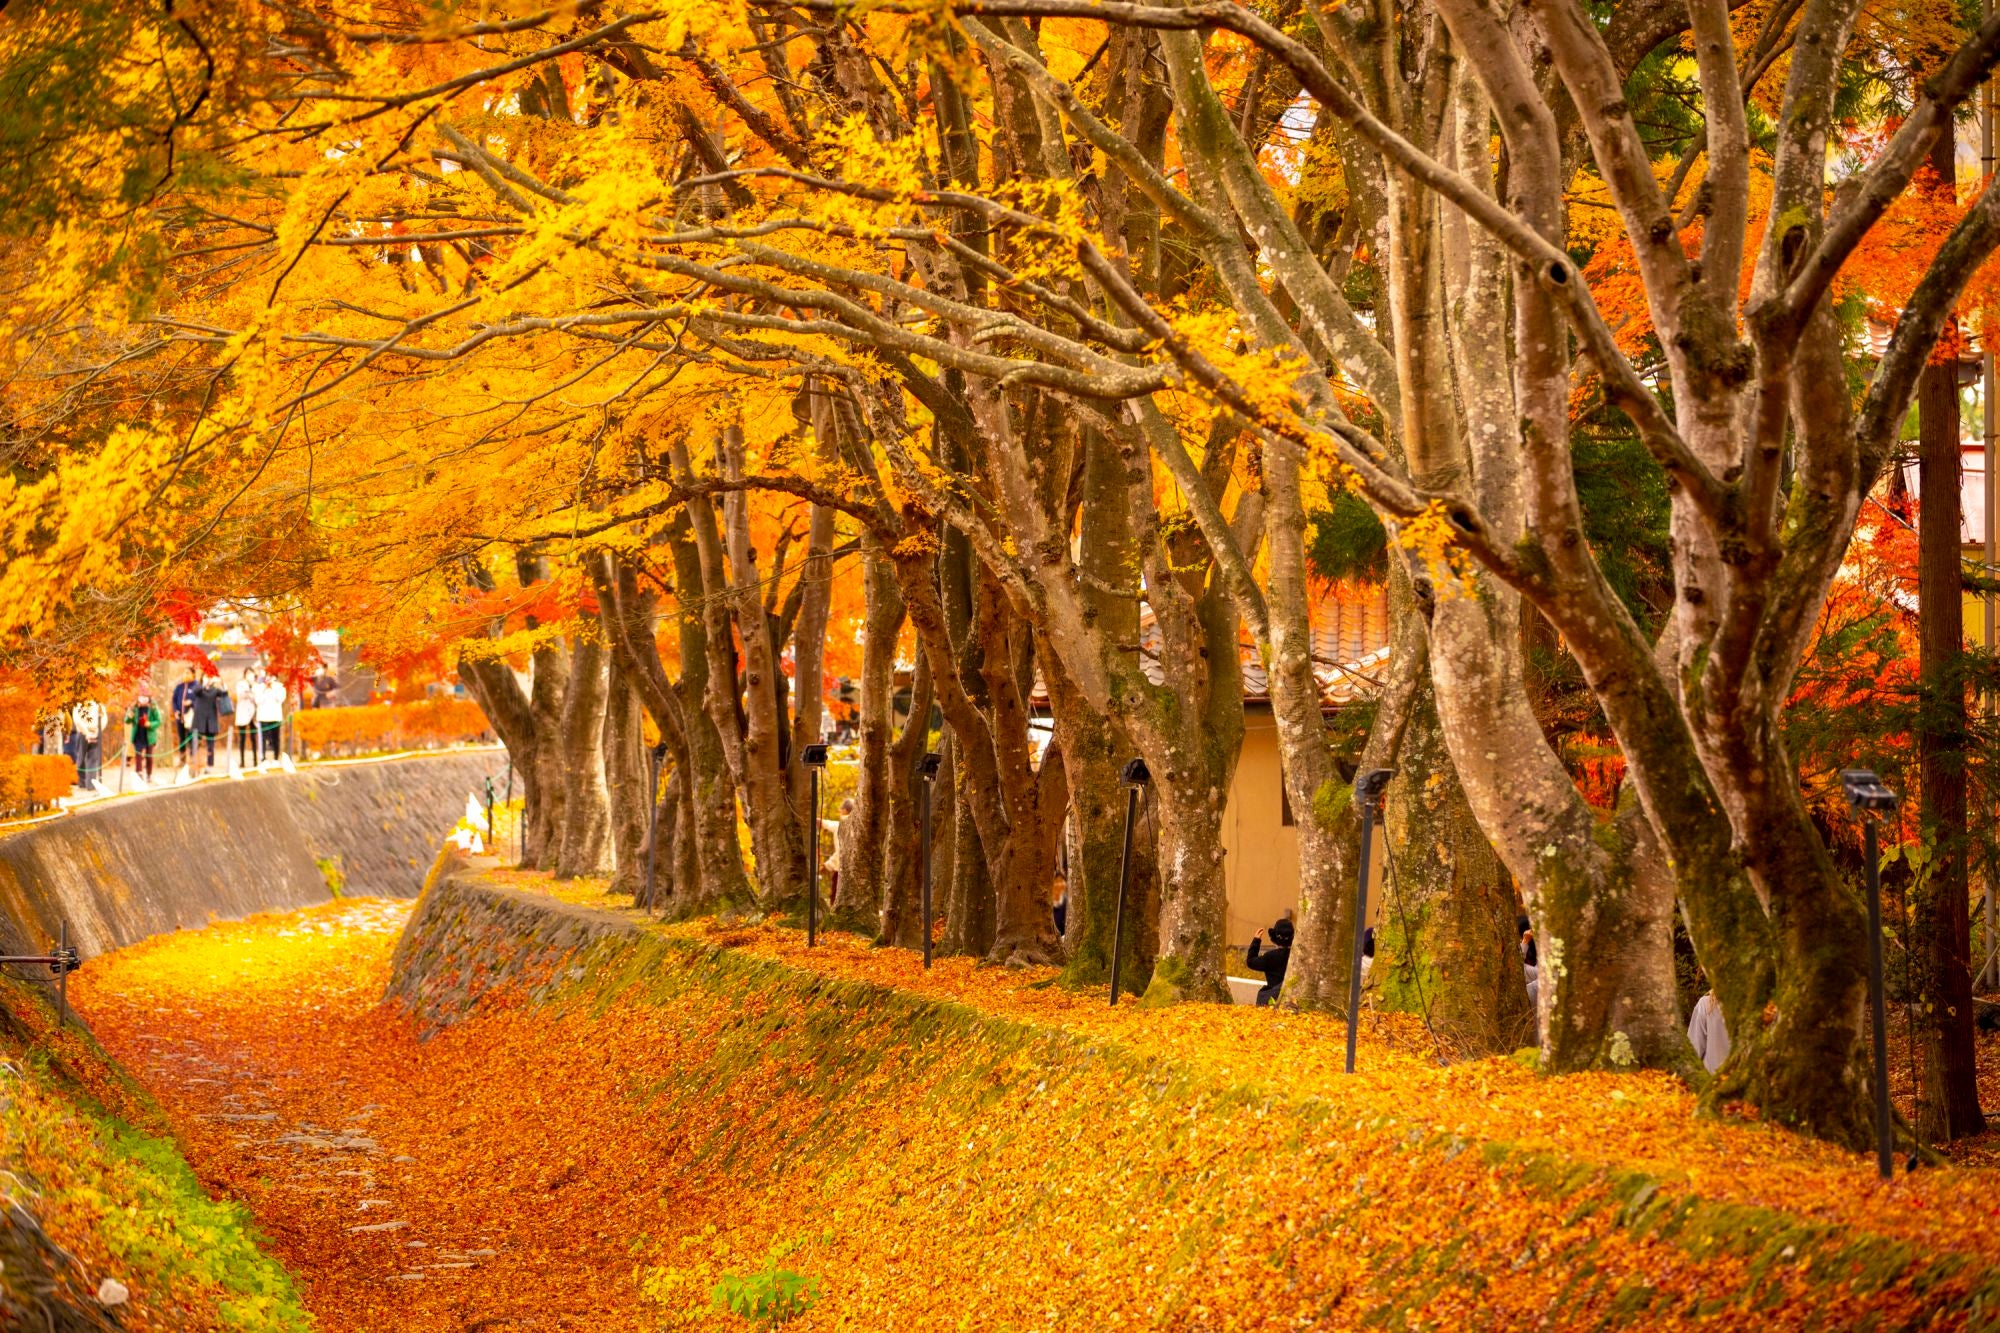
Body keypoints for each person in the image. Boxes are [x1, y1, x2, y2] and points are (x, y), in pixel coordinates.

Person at [1245, 917, 1294, 1007]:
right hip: (1293, 999)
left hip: (1271, 999)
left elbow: (1250, 962)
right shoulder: (1296, 957)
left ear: (1274, 937)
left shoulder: (1270, 956)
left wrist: (1256, 940)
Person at [189, 672, 226, 776]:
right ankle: (194, 765)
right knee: (195, 744)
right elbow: (196, 692)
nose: (208, 678)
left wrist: (221, 682)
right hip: (199, 720)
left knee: (210, 746)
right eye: (206, 676)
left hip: (211, 720)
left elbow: (224, 694)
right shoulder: (199, 687)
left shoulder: (214, 690)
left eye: (209, 677)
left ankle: (209, 765)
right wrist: (204, 683)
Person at [1689, 985, 1730, 1073]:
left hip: (1711, 1078)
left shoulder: (1705, 1004)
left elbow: (1694, 1049)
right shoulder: (1705, 1004)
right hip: (1744, 1079)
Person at [69, 699, 106, 791]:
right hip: (82, 733)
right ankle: (82, 782)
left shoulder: (99, 703)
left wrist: (98, 731)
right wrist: (86, 732)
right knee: (80, 758)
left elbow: (104, 718)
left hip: (96, 732)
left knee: (93, 759)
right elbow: (77, 720)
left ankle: (91, 784)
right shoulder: (79, 703)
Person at [126, 690, 161, 783]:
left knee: (149, 756)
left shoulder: (153, 708)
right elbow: (127, 721)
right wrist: (130, 715)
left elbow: (159, 721)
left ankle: (149, 774)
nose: (143, 700)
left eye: (145, 697)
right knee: (138, 755)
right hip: (138, 734)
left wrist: (150, 724)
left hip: (149, 735)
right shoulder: (134, 708)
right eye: (141, 697)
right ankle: (139, 773)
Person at [254, 670, 286, 762]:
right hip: (263, 716)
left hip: (275, 716)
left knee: (276, 738)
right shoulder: (259, 687)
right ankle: (263, 758)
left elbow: (280, 699)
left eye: (271, 676)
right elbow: (257, 701)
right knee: (263, 739)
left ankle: (276, 758)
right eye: (267, 675)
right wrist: (264, 690)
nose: (269, 678)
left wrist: (272, 689)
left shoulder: (280, 687)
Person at [171, 668, 199, 770]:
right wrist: (176, 711)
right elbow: (174, 700)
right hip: (180, 717)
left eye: (188, 673)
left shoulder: (196, 686)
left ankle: (192, 759)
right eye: (184, 673)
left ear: (193, 674)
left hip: (191, 717)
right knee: (181, 738)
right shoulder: (179, 687)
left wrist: (191, 702)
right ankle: (182, 760)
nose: (185, 675)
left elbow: (199, 700)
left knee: (191, 737)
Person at [233, 669, 259, 771]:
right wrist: (249, 692)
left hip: (253, 714)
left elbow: (257, 698)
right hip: (243, 713)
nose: (250, 675)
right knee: (242, 738)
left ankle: (256, 761)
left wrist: (251, 691)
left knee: (254, 738)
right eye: (247, 673)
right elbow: (240, 695)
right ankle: (242, 761)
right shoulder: (240, 684)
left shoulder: (256, 685)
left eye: (251, 673)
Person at [1051, 871, 1068, 938]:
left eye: (1062, 882)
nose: (1060, 885)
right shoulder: (1047, 903)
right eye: (1057, 882)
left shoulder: (1067, 902)